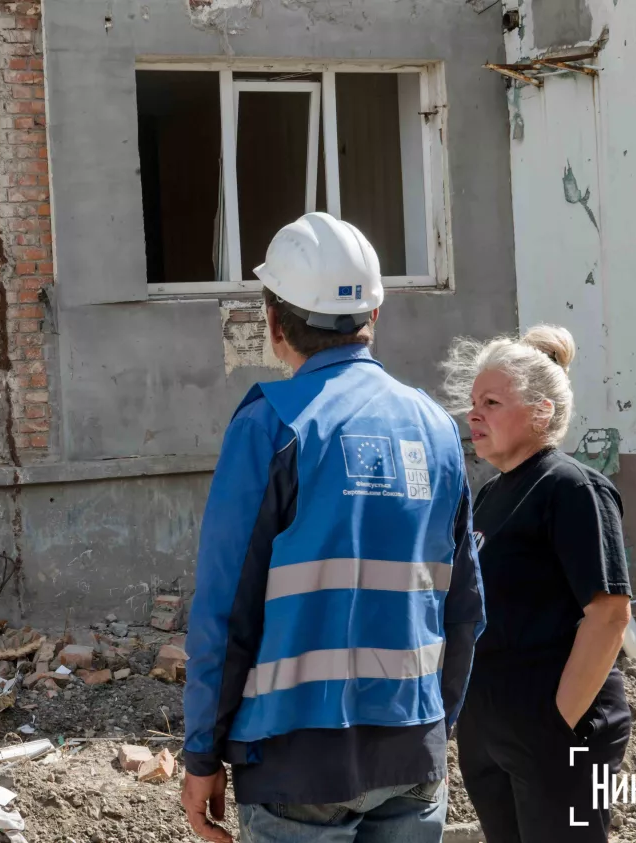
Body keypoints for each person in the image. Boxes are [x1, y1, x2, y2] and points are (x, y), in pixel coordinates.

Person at [181, 212, 486, 843]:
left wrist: (203, 755)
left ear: (272, 321)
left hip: (296, 760)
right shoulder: (437, 429)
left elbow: (224, 610)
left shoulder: (272, 426)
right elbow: (465, 608)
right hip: (413, 748)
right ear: (374, 317)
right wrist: (434, 725)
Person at [444, 326, 633, 842]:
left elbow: (610, 614)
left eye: (491, 402)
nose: (473, 414)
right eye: (472, 402)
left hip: (555, 732)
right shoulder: (489, 495)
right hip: (489, 732)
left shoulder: (572, 488)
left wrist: (554, 723)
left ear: (541, 412)